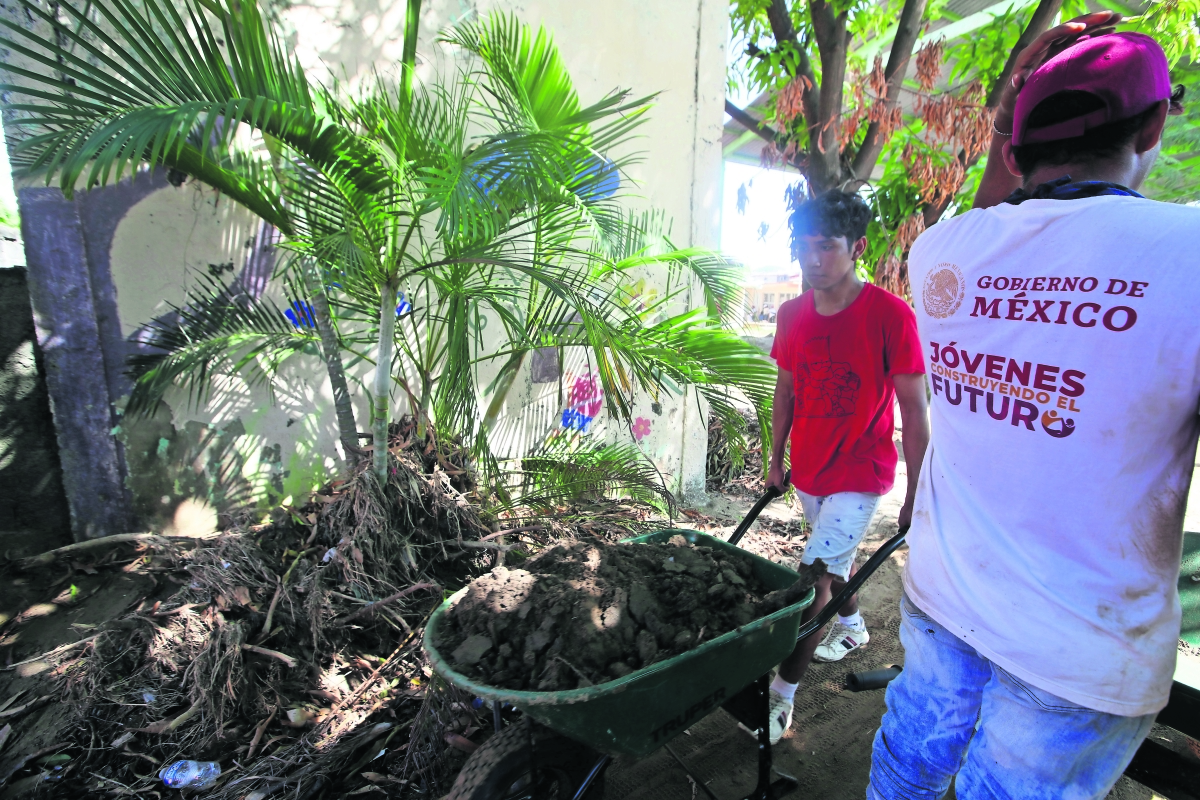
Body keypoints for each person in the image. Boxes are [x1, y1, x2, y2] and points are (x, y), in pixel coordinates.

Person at [871, 13, 1196, 798]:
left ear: (1013, 149)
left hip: (946, 601)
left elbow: (998, 216)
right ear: (1155, 122)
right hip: (1082, 651)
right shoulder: (1186, 259)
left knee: (904, 778)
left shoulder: (940, 252)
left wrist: (1017, 101)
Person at [761, 190, 930, 745]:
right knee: (836, 563)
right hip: (810, 469)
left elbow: (913, 407)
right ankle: (853, 629)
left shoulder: (890, 315)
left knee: (815, 578)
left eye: (826, 246)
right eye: (804, 246)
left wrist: (917, 491)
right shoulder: (791, 314)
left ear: (855, 247)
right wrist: (774, 459)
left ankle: (782, 696)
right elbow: (785, 390)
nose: (813, 259)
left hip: (862, 470)